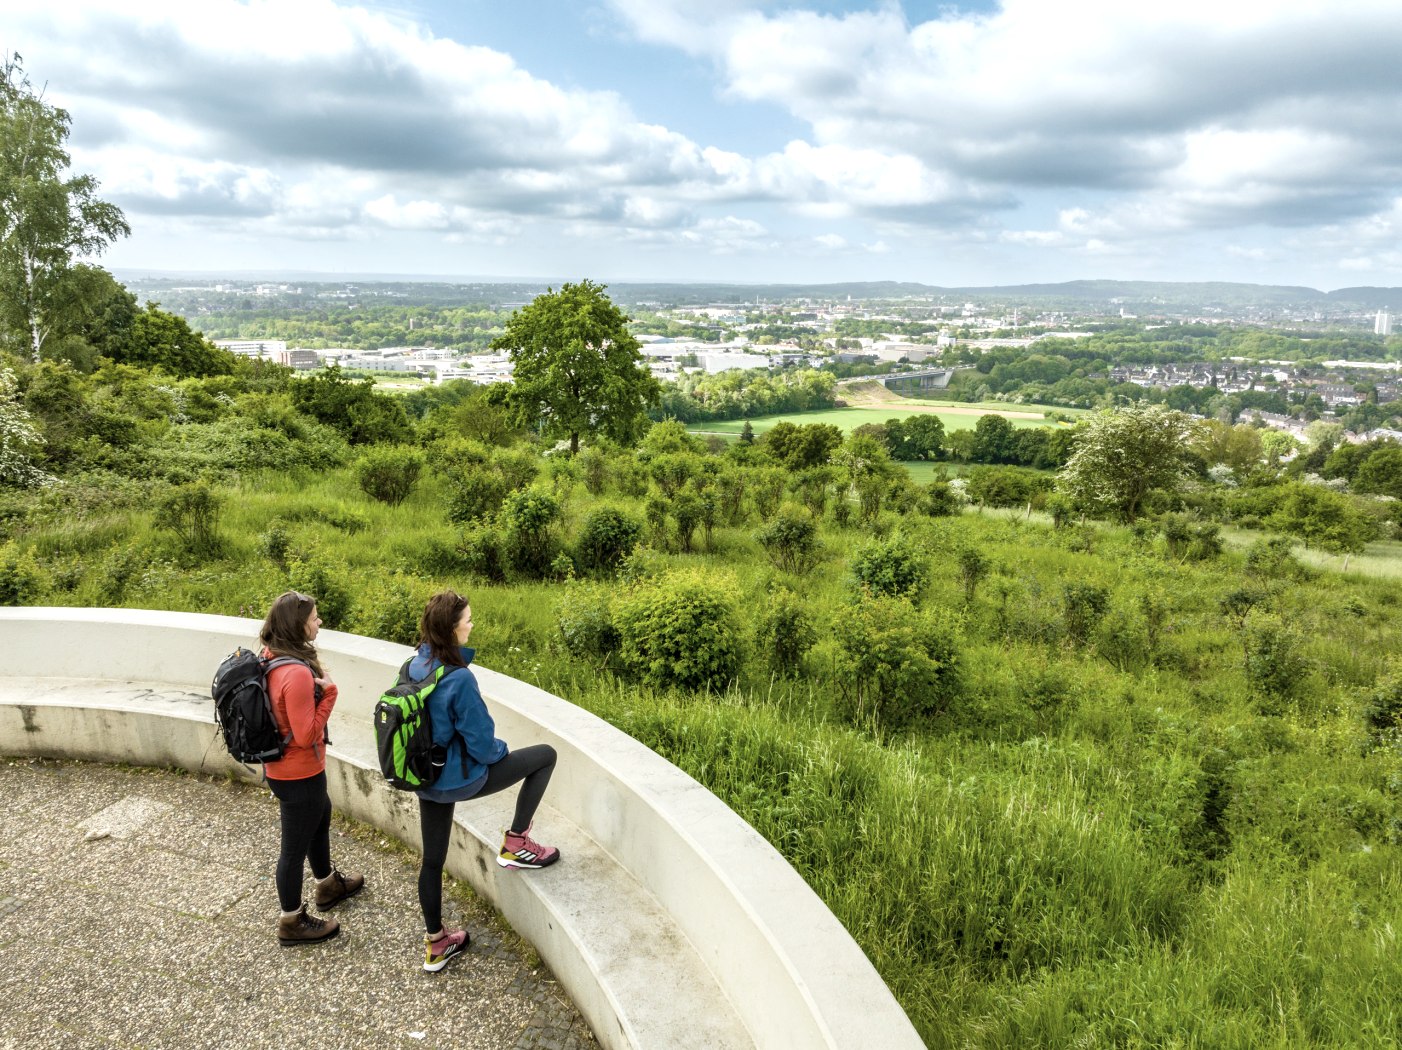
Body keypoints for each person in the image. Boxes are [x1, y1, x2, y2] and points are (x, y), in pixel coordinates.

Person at [412, 590, 560, 973]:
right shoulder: (459, 679)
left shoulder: (415, 664)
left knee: (432, 861)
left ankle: (436, 944)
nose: (472, 625)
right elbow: (482, 744)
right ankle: (516, 842)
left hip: (426, 777)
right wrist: (502, 751)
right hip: (462, 778)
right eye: (468, 620)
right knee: (544, 756)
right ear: (452, 627)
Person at [260, 590, 365, 946]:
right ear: (298, 625)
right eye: (314, 618)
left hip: (289, 768)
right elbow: (305, 735)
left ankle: (326, 885)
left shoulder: (272, 655)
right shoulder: (296, 673)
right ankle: (290, 921)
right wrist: (331, 695)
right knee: (292, 847)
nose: (319, 622)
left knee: (321, 817)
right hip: (297, 771)